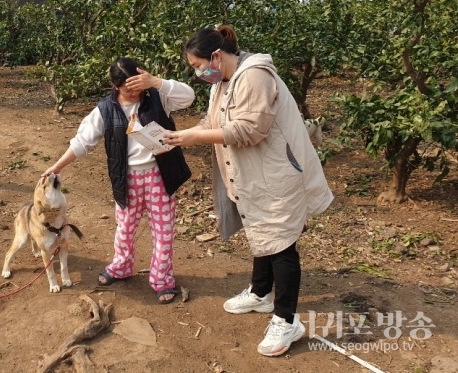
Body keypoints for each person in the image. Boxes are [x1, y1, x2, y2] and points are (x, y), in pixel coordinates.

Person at [162, 25, 333, 355]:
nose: (199, 72)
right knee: (261, 230)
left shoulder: (254, 76)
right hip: (255, 174)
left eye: (198, 65)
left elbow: (250, 130)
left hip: (278, 174)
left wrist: (193, 138)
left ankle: (287, 321)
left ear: (216, 55)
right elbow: (214, 124)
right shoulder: (223, 81)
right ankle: (260, 293)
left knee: (281, 242)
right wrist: (179, 135)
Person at [42, 57, 194, 304]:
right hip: (127, 179)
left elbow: (188, 97)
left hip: (160, 175)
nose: (134, 92)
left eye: (137, 85)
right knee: (125, 229)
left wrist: (156, 82)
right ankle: (121, 266)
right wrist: (58, 165)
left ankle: (162, 279)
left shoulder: (158, 96)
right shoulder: (105, 109)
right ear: (115, 86)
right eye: (127, 88)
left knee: (163, 231)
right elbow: (83, 142)